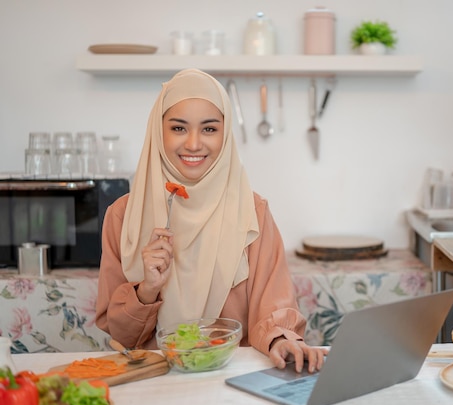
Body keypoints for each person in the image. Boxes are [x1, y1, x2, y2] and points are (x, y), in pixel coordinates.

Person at [95, 68, 326, 373]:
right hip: (156, 380)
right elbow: (122, 336)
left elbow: (273, 305)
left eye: (209, 129)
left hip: (231, 378)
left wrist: (279, 340)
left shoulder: (252, 213)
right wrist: (147, 289)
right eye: (178, 128)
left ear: (225, 134)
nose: (193, 144)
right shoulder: (124, 216)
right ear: (157, 131)